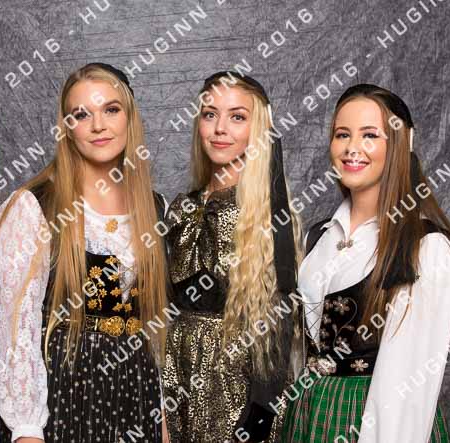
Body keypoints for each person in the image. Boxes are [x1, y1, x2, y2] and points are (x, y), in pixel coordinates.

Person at [0, 63, 170, 443]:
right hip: (69, 393)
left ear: (130, 118)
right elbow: (16, 330)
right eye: (82, 114)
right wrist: (26, 428)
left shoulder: (154, 207)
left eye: (111, 109)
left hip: (137, 392)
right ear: (66, 128)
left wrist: (161, 417)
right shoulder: (35, 206)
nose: (99, 125)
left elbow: (155, 332)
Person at [281, 84, 450, 443]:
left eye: (369, 135)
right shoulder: (317, 238)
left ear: (399, 146)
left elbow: (407, 389)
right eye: (342, 134)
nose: (352, 147)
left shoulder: (425, 247)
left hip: (367, 422)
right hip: (307, 417)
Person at [162, 71, 301, 442]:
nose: (220, 128)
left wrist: (259, 415)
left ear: (258, 129)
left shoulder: (269, 214)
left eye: (237, 117)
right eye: (210, 115)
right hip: (177, 374)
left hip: (235, 383)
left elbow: (280, 321)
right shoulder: (181, 208)